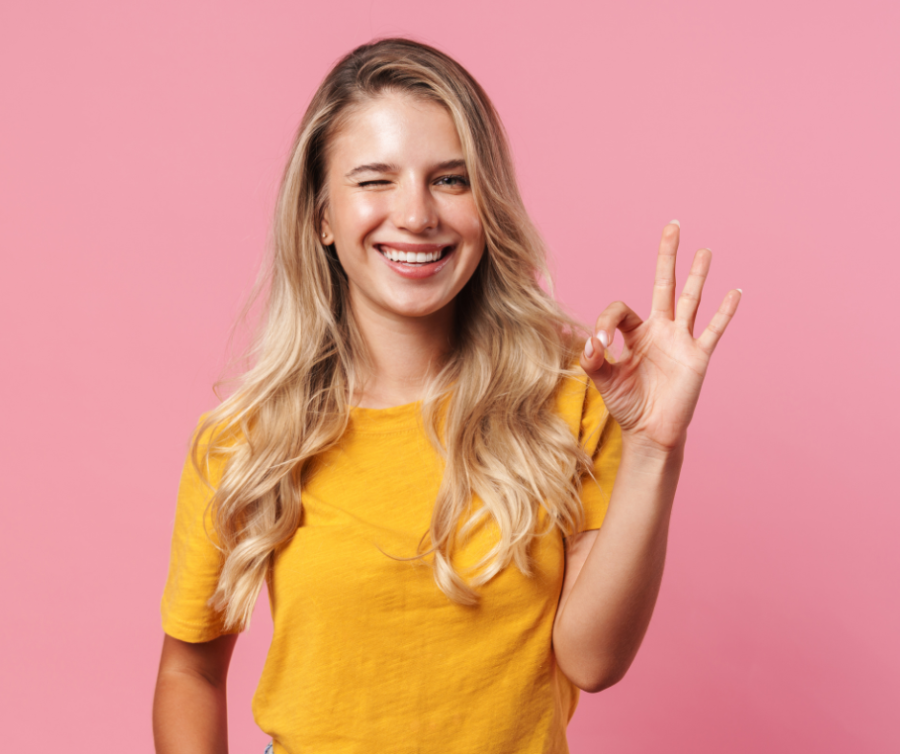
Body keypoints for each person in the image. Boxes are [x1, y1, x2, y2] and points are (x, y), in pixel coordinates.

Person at [152, 37, 740, 754]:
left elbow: (593, 661)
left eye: (451, 180)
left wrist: (654, 447)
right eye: (375, 181)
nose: (417, 215)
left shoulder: (573, 403)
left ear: (487, 205)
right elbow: (191, 673)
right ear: (321, 218)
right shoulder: (244, 441)